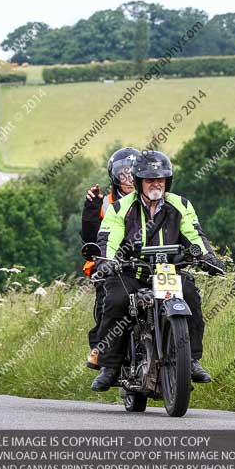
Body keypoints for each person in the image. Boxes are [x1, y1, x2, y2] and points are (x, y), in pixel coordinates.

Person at [91, 150, 224, 391]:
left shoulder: (181, 205)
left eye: (161, 179)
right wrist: (106, 261)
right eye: (150, 179)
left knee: (191, 295)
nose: (156, 184)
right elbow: (109, 238)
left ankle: (191, 360)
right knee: (116, 301)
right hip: (132, 272)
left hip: (167, 272)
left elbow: (194, 234)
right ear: (139, 181)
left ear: (168, 181)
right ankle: (109, 366)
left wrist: (208, 257)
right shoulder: (121, 207)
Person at [81, 147, 141, 370]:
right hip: (112, 264)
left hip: (147, 262)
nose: (129, 178)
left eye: (132, 173)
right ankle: (102, 353)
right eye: (123, 173)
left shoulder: (153, 198)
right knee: (109, 299)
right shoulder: (105, 203)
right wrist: (91, 210)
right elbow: (90, 238)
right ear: (115, 176)